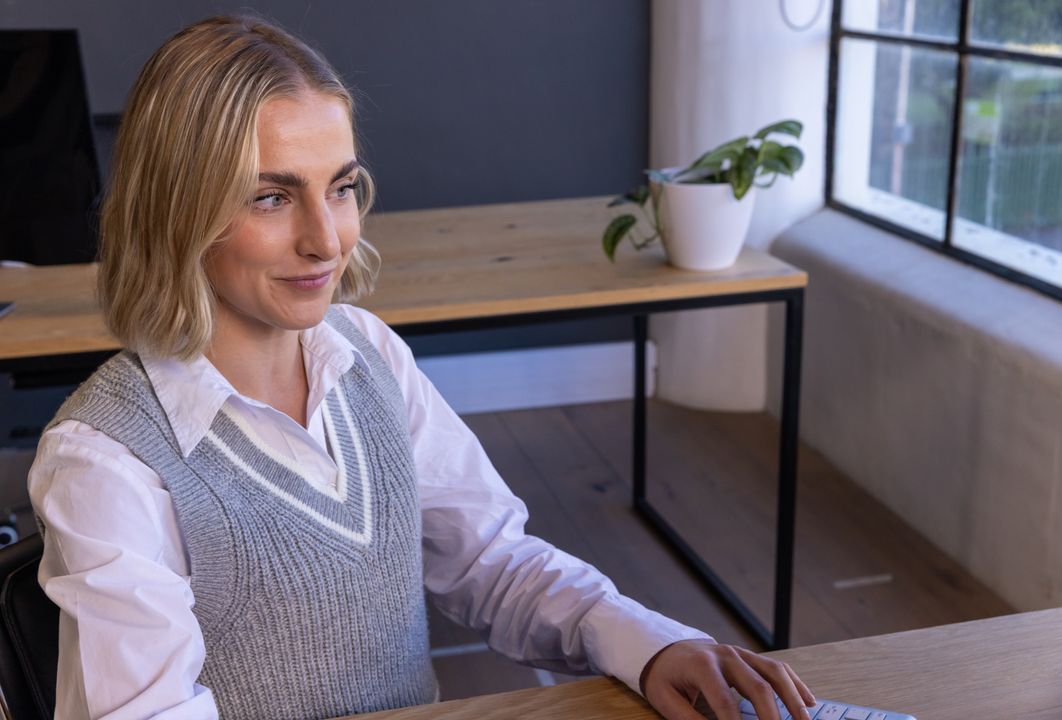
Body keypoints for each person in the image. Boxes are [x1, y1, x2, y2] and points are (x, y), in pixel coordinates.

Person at [28, 15, 815, 720]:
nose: (327, 240)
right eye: (271, 198)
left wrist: (648, 645)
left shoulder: (368, 352)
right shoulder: (105, 460)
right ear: (177, 209)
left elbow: (489, 560)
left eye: (340, 188)